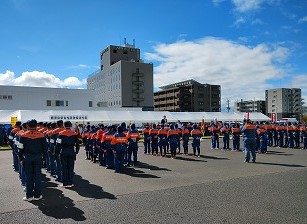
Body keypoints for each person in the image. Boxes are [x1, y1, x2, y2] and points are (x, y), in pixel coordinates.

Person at [18, 119, 47, 201]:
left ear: (27, 126)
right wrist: (44, 159)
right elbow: (45, 149)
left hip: (27, 157)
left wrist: (21, 158)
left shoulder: (23, 136)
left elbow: (20, 149)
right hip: (38, 158)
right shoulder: (42, 135)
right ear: (37, 125)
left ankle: (29, 196)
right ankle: (37, 195)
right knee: (37, 176)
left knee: (29, 177)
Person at [56, 121, 80, 188]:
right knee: (71, 167)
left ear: (64, 125)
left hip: (63, 151)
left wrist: (57, 152)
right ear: (71, 125)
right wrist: (76, 152)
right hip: (71, 150)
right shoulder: (74, 133)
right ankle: (70, 182)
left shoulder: (61, 133)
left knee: (64, 167)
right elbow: (77, 144)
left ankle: (65, 183)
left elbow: (58, 144)